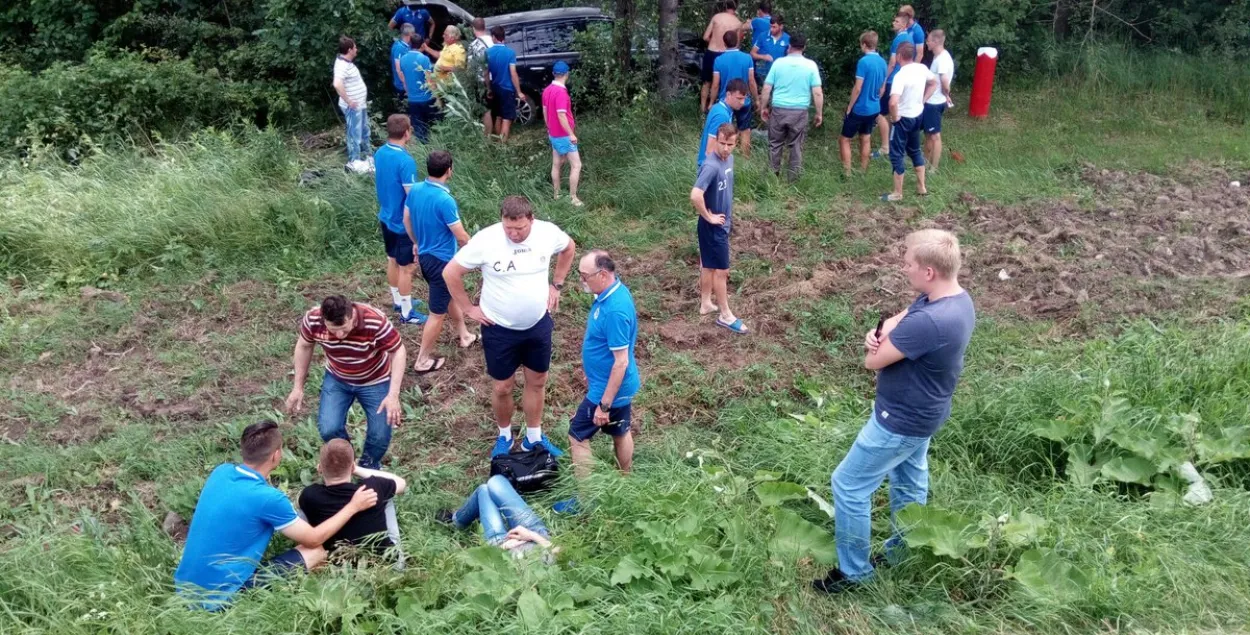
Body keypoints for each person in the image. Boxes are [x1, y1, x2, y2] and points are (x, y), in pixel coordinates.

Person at [812, 229, 976, 594]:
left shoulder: (930, 321)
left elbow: (872, 362)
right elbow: (899, 319)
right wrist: (882, 330)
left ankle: (853, 574)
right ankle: (903, 552)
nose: (904, 270)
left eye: (909, 265)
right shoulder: (953, 299)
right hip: (926, 412)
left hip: (899, 420)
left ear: (929, 271)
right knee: (909, 480)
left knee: (849, 485)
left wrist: (875, 344)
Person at [174, 421, 379, 610]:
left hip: (185, 588)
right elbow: (314, 537)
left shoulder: (221, 472)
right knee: (315, 551)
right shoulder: (268, 498)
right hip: (220, 598)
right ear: (276, 456)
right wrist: (353, 506)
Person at [442, 196, 577, 458]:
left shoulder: (547, 233)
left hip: (537, 324)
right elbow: (450, 273)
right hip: (499, 327)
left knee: (537, 381)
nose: (513, 234)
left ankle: (534, 437)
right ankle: (504, 435)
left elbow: (569, 248)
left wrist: (556, 284)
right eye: (508, 228)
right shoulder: (486, 240)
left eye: (520, 229)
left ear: (531, 221)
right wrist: (469, 308)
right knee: (502, 387)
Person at [285, 295, 407, 470]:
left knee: (379, 434)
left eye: (344, 328)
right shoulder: (312, 319)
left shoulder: (374, 320)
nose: (340, 335)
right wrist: (297, 387)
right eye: (333, 329)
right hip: (338, 378)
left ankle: (368, 466)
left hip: (375, 379)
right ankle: (346, 463)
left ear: (352, 316)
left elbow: (398, 351)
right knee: (329, 429)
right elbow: (304, 346)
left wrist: (393, 395)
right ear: (323, 319)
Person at [403, 150, 477, 374]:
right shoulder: (445, 200)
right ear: (449, 171)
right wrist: (479, 255)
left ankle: (464, 335)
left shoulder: (415, 190)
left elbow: (406, 219)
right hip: (441, 263)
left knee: (449, 296)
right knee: (436, 314)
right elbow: (461, 236)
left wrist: (415, 242)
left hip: (426, 258)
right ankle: (422, 360)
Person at [568, 250, 639, 478]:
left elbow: (621, 362)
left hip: (608, 390)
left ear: (603, 274)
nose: (582, 280)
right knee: (620, 431)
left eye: (585, 275)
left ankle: (587, 499)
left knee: (577, 436)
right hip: (615, 385)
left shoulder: (615, 310)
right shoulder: (609, 293)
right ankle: (624, 481)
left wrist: (604, 406)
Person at [298, 439, 406, 556]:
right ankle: (397, 551)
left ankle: (313, 549)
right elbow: (401, 483)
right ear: (352, 467)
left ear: (320, 468)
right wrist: (357, 469)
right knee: (387, 494)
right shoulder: (372, 487)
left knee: (302, 507)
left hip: (337, 565)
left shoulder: (310, 494)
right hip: (386, 563)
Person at [692, 123, 747, 335]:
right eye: (722, 143)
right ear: (716, 139)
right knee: (722, 271)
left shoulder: (729, 159)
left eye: (730, 144)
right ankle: (725, 314)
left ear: (735, 143)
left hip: (719, 225)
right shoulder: (711, 165)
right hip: (715, 227)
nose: (725, 148)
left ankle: (706, 303)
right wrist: (709, 216)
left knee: (708, 265)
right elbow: (695, 195)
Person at [374, 114, 428, 326]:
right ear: (407, 132)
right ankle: (407, 312)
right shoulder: (405, 160)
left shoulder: (380, 152)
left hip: (385, 216)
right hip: (401, 223)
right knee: (407, 267)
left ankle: (398, 300)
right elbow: (410, 195)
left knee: (392, 260)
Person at [438, 475, 556, 557]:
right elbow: (559, 551)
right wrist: (531, 535)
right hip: (537, 534)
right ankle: (459, 519)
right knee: (496, 481)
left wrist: (502, 548)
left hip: (505, 546)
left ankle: (456, 521)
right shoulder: (569, 563)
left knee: (483, 490)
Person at [760, 32, 822, 182]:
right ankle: (793, 181)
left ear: (789, 45)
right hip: (799, 112)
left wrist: (763, 107)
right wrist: (819, 113)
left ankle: (772, 178)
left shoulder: (778, 63)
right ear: (804, 47)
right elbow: (817, 92)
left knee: (775, 144)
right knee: (796, 146)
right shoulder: (810, 65)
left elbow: (767, 88)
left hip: (779, 109)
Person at [883, 42, 937, 202]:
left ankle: (897, 193)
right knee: (914, 150)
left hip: (903, 118)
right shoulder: (921, 68)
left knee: (896, 154)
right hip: (917, 116)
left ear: (899, 56)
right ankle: (922, 187)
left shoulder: (901, 75)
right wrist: (923, 100)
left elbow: (893, 102)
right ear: (912, 56)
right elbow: (934, 83)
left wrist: (895, 117)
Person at [840, 31, 887, 176]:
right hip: (874, 107)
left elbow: (858, 87)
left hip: (860, 107)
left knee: (844, 139)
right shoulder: (883, 62)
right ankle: (863, 171)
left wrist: (850, 106)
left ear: (864, 44)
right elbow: (882, 88)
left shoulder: (863, 62)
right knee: (865, 138)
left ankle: (847, 173)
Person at [711, 32, 759, 158]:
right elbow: (751, 80)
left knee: (725, 131)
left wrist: (711, 102)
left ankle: (724, 157)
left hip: (726, 101)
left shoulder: (719, 60)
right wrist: (756, 99)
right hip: (744, 100)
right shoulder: (747, 58)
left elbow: (715, 84)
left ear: (724, 43)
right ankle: (745, 159)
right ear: (737, 41)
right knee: (745, 130)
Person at [542, 62, 582, 207]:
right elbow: (561, 115)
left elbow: (545, 111)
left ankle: (557, 194)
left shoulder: (547, 90)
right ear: (566, 74)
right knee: (576, 165)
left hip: (553, 133)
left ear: (554, 74)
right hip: (564, 136)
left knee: (556, 164)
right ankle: (573, 197)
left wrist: (549, 128)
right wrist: (571, 134)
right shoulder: (561, 93)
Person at [332, 36, 371, 173]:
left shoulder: (346, 63)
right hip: (353, 107)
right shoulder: (342, 65)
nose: (356, 50)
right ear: (349, 50)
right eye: (355, 48)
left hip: (359, 105)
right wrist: (349, 101)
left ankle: (367, 158)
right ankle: (354, 162)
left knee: (364, 131)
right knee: (354, 135)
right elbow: (337, 84)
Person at [875, 13, 911, 159]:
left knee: (879, 113)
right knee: (896, 111)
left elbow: (892, 62)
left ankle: (885, 147)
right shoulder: (909, 37)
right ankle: (898, 144)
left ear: (903, 24)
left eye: (896, 21)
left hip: (893, 80)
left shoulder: (899, 39)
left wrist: (884, 80)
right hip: (905, 78)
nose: (893, 23)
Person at [701, 0, 743, 114]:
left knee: (707, 82)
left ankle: (703, 108)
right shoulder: (738, 23)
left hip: (711, 52)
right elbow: (737, 44)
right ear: (735, 9)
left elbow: (705, 37)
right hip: (726, 54)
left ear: (725, 7)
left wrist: (713, 42)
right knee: (723, 82)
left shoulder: (716, 17)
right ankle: (719, 108)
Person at [922, 30, 954, 173]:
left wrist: (946, 94)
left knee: (935, 136)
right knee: (929, 134)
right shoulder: (942, 56)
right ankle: (924, 161)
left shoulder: (941, 60)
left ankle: (933, 169)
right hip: (934, 101)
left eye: (928, 40)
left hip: (934, 103)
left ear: (935, 42)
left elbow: (945, 82)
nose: (926, 42)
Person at [697, 78, 746, 169]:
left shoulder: (718, 107)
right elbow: (710, 149)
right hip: (710, 167)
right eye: (739, 98)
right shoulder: (722, 116)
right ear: (728, 94)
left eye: (744, 98)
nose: (742, 102)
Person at [486, 25, 522, 142]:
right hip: (507, 89)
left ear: (494, 37)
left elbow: (485, 73)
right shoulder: (510, 53)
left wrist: (489, 88)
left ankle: (498, 141)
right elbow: (513, 73)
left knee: (497, 116)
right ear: (503, 37)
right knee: (507, 118)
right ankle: (503, 146)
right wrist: (519, 91)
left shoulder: (487, 52)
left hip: (495, 87)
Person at [399, 34, 436, 143]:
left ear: (410, 43)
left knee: (418, 127)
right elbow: (429, 80)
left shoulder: (403, 59)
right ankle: (432, 147)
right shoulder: (424, 59)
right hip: (427, 98)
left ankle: (422, 148)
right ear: (422, 44)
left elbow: (404, 78)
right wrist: (437, 94)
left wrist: (407, 91)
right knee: (430, 125)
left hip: (412, 99)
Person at [468, 18, 495, 137]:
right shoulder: (493, 41)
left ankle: (487, 137)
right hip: (497, 78)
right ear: (485, 27)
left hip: (482, 82)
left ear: (473, 29)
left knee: (485, 111)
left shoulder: (473, 45)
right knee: (496, 108)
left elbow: (470, 68)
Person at [751, 13, 790, 89]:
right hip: (763, 75)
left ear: (781, 27)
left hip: (780, 76)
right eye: (770, 26)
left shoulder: (787, 39)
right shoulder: (762, 36)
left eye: (774, 27)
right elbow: (752, 53)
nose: (771, 29)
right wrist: (763, 56)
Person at [390, 24, 415, 106]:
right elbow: (398, 69)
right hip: (402, 86)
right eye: (413, 33)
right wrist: (406, 86)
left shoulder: (403, 45)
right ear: (409, 34)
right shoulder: (399, 48)